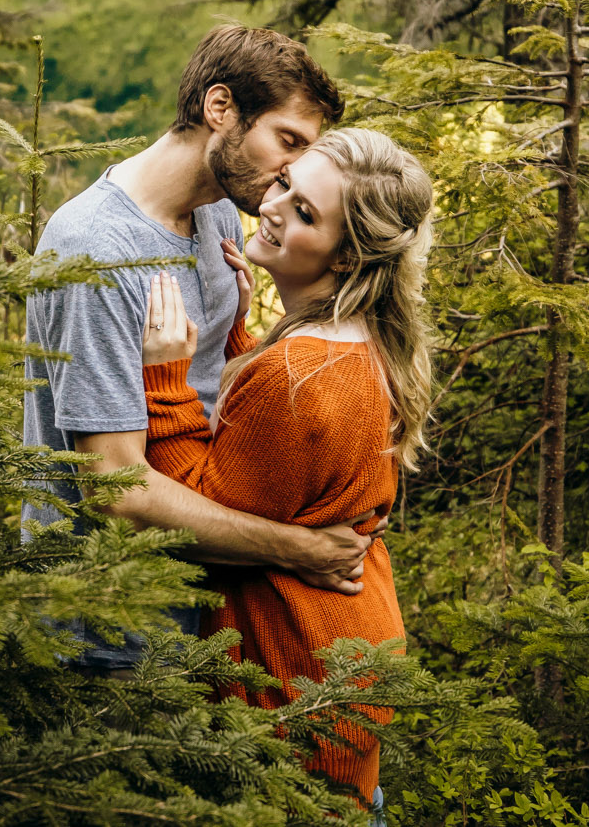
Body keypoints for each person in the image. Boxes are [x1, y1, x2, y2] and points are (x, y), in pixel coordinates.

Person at [22, 25, 377, 670]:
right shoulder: (96, 253)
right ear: (220, 110)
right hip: (107, 629)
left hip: (201, 606)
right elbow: (118, 494)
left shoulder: (216, 211)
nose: (289, 174)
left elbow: (209, 391)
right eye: (287, 141)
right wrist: (297, 549)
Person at [137, 127, 434, 808]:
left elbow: (196, 511)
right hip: (338, 668)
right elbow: (282, 469)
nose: (273, 205)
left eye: (305, 212)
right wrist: (242, 337)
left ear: (346, 255)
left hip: (292, 688)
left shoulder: (298, 376)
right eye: (284, 184)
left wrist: (165, 381)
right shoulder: (359, 343)